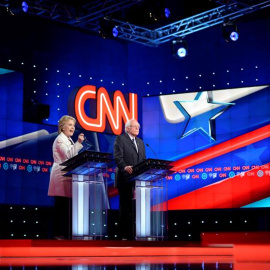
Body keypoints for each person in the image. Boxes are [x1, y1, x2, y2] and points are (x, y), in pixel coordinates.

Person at [48, 115, 84, 239]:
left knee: (66, 205)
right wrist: (79, 143)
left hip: (68, 174)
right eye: (69, 125)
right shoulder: (60, 139)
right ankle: (58, 234)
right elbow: (68, 156)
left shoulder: (69, 140)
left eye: (73, 126)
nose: (72, 128)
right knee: (61, 205)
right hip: (61, 174)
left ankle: (66, 233)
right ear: (62, 127)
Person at [114, 119, 146, 240]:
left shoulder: (141, 142)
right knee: (125, 206)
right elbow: (118, 157)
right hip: (125, 177)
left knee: (135, 207)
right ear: (127, 128)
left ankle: (135, 234)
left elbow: (143, 159)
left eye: (138, 127)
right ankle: (124, 235)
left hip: (138, 179)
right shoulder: (120, 139)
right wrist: (125, 167)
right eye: (134, 127)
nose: (137, 128)